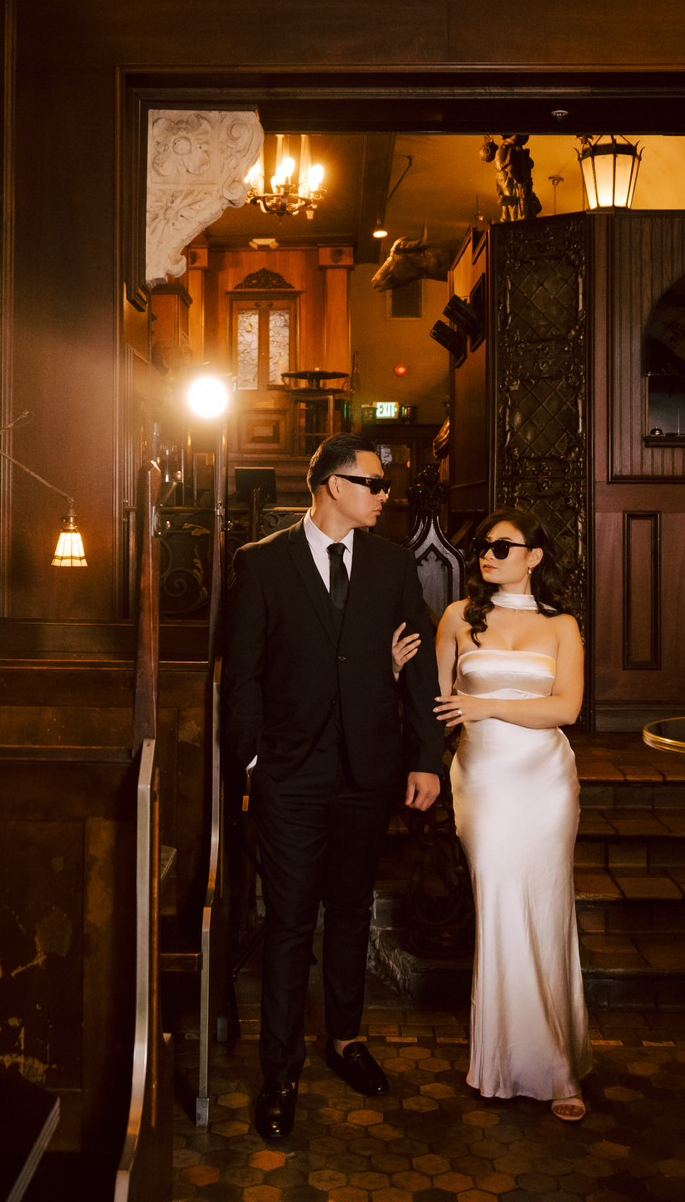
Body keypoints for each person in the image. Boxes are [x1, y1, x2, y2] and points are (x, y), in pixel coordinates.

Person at [225, 432, 441, 1142]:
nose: (385, 494)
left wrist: (425, 760)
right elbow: (245, 674)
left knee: (348, 910)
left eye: (385, 485)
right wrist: (249, 764)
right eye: (373, 483)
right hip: (289, 774)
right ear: (330, 487)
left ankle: (345, 1041)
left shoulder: (390, 563)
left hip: (368, 770)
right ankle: (279, 1072)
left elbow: (415, 669)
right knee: (289, 924)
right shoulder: (259, 564)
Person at [433, 507, 591, 1121]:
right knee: (498, 902)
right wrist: (401, 670)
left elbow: (567, 709)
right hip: (484, 779)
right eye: (482, 546)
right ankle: (502, 1058)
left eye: (503, 547)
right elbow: (439, 701)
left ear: (535, 557)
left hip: (545, 781)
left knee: (547, 907)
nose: (488, 555)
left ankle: (557, 1064)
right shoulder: (456, 618)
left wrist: (487, 705)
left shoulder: (561, 626)